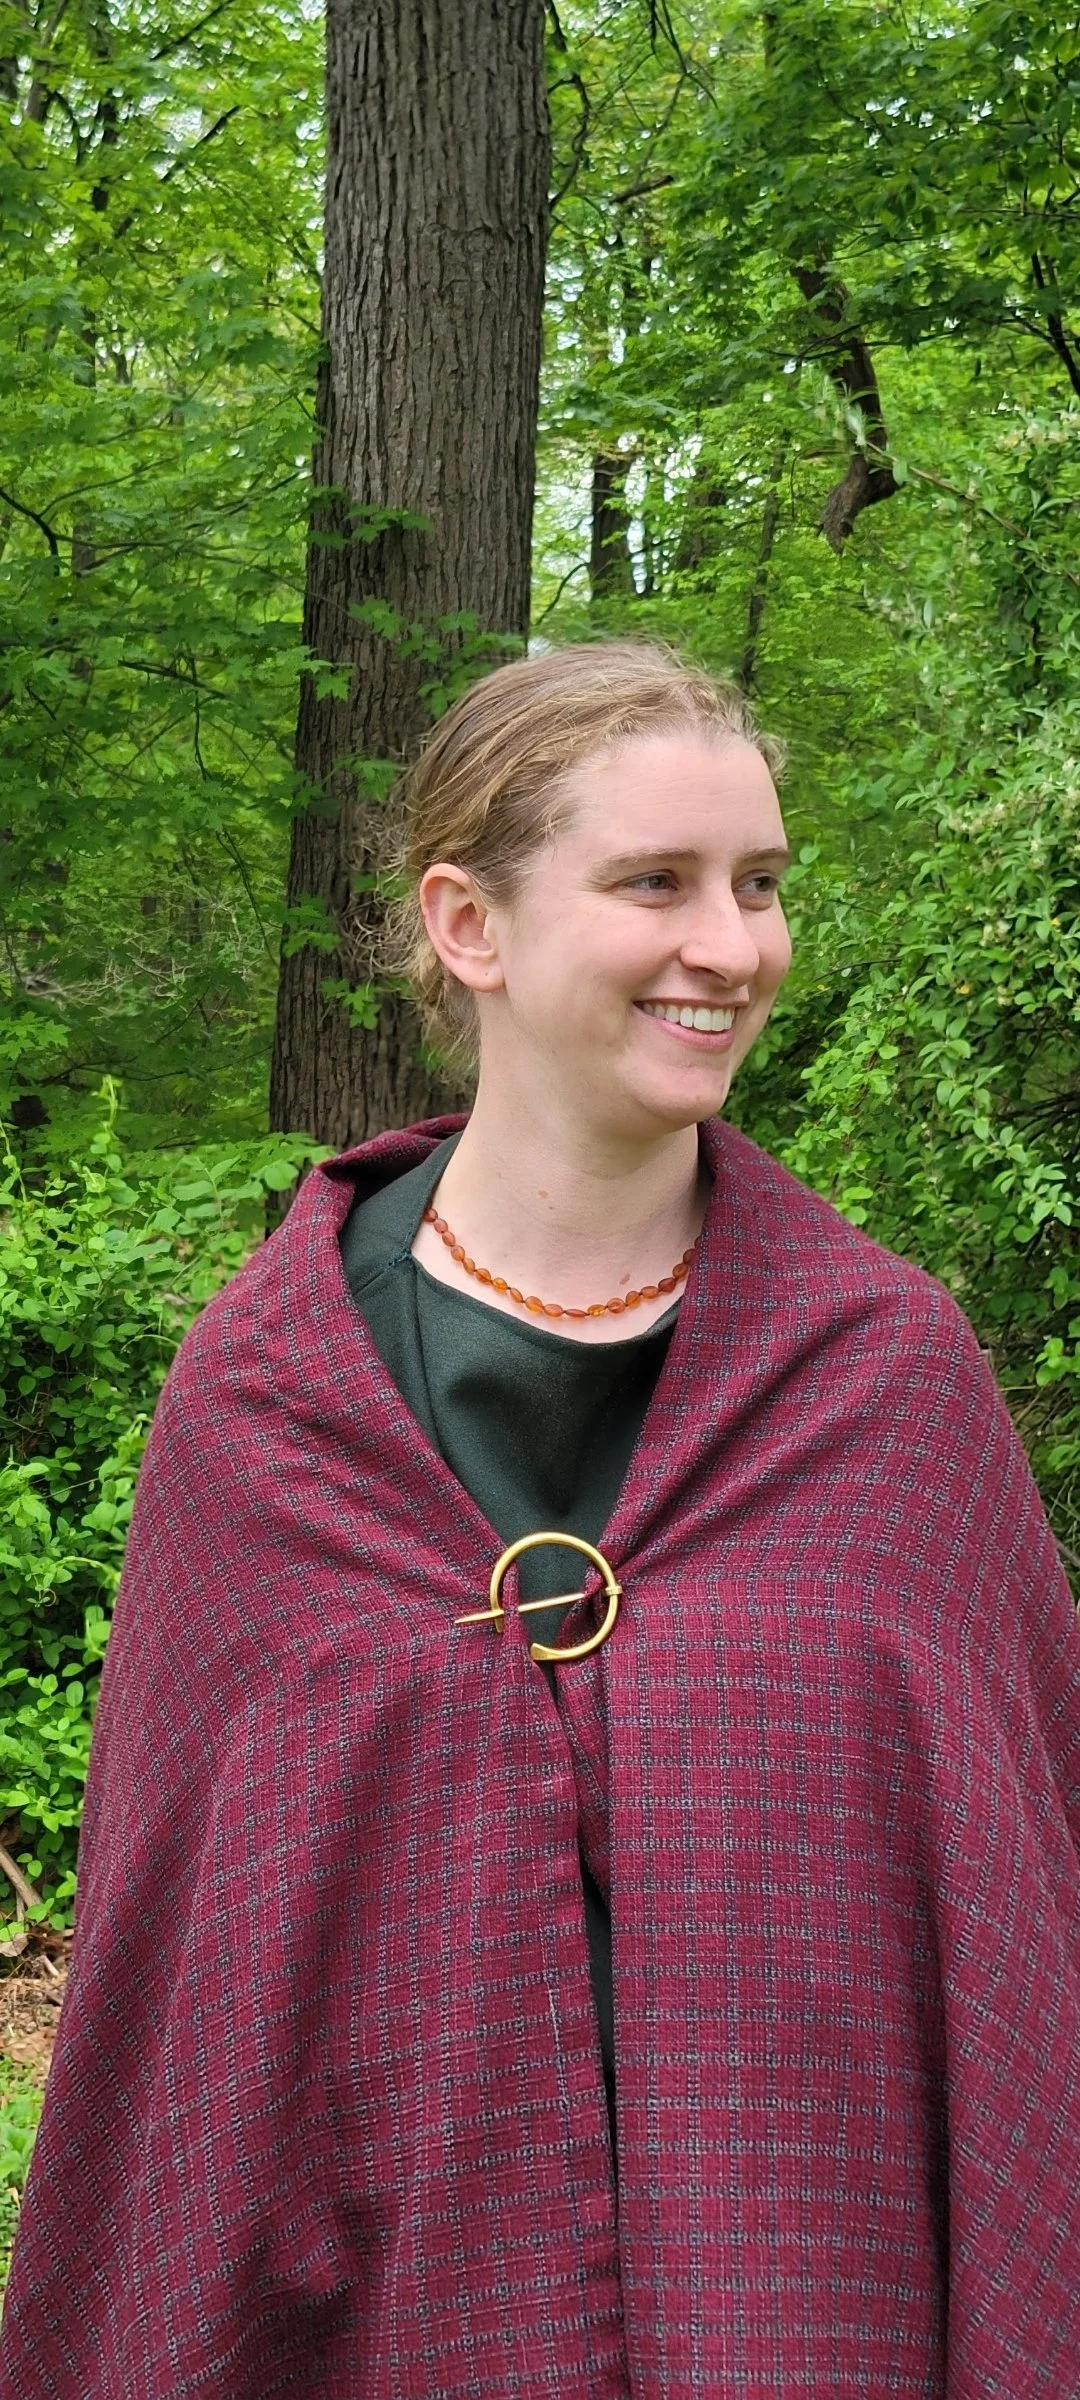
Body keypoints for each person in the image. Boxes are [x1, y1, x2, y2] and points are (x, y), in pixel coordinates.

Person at [2, 641, 1078, 2398]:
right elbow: (185, 1997)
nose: (731, 945)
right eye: (655, 882)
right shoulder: (270, 1407)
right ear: (469, 924)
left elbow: (1025, 1939)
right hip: (392, 2319)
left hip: (823, 2309)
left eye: (759, 884)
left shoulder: (889, 1383)